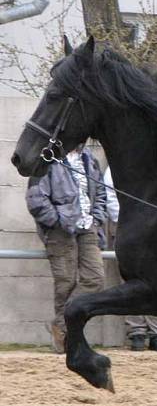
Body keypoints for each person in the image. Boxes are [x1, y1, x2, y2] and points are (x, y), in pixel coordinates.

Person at [26, 144, 107, 353]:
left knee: (95, 279)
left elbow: (100, 193)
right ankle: (66, 340)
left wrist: (96, 219)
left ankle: (60, 326)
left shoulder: (89, 158)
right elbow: (35, 199)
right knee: (66, 283)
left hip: (88, 228)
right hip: (60, 230)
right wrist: (56, 221)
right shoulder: (46, 158)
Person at [104, 167, 157, 352]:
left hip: (154, 226)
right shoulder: (115, 168)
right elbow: (110, 196)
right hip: (125, 224)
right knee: (130, 279)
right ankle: (136, 332)